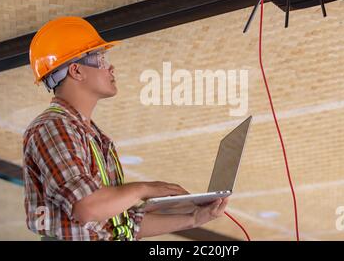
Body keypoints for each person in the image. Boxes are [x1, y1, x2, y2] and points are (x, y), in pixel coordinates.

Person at [22, 16, 229, 241]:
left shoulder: (94, 136)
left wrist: (196, 218)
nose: (110, 66)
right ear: (76, 71)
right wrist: (143, 189)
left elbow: (121, 227)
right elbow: (87, 207)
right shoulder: (52, 128)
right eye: (100, 59)